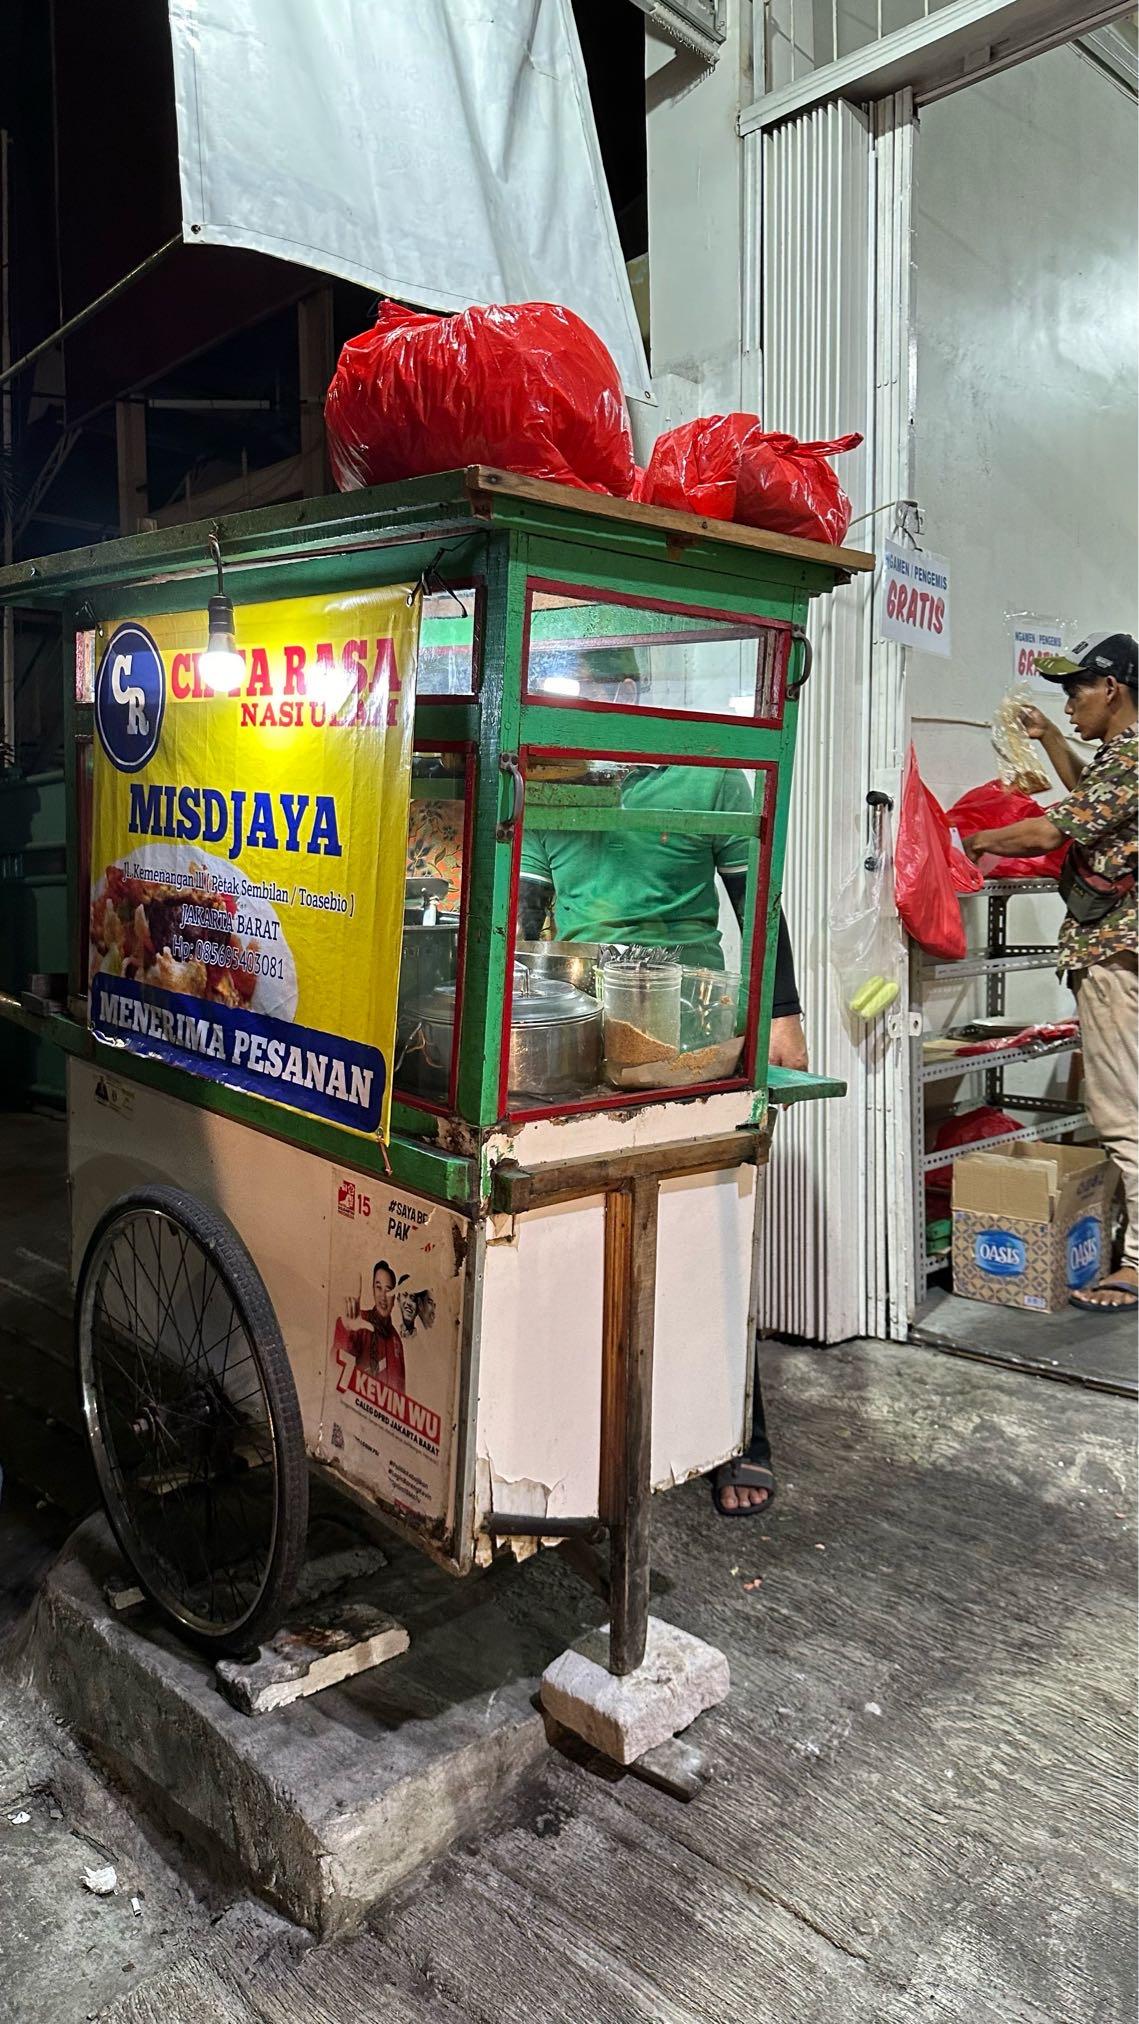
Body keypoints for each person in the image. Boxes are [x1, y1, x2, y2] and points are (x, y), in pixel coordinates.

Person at [519, 652, 807, 1512]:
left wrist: (780, 1011)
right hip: (576, 1024)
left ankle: (737, 1429)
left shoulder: (708, 773)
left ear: (630, 697)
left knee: (712, 1221)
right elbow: (525, 919)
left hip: (690, 1031)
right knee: (579, 1223)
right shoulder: (550, 781)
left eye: (598, 696)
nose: (584, 717)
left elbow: (757, 899)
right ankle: (585, 1427)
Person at [963, 632, 1137, 1311]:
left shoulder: (1130, 759)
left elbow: (1049, 832)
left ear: (1112, 689)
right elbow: (1090, 798)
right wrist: (1045, 741)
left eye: (1075, 692)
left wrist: (972, 840)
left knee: (1121, 1114)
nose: (1066, 705)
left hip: (1115, 954)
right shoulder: (1118, 760)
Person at [344, 1260, 408, 1391]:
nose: (383, 1297)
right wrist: (348, 1330)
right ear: (373, 1290)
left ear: (394, 1297)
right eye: (378, 1288)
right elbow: (340, 1358)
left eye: (388, 1290)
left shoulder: (396, 1342)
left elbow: (401, 1394)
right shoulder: (361, 1322)